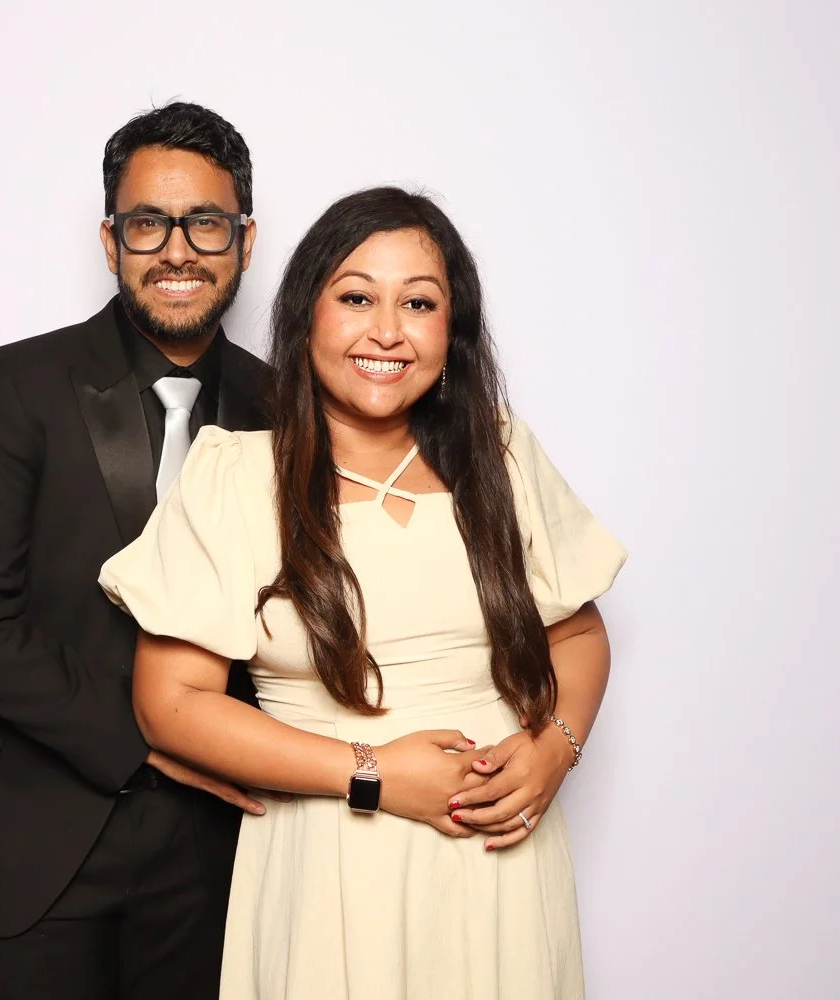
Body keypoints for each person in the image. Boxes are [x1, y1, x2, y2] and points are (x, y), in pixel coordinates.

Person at [99, 186, 628, 999]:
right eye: (355, 298)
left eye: (419, 302)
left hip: (500, 866)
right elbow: (171, 702)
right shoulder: (235, 477)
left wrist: (557, 747)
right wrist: (373, 772)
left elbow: (577, 633)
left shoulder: (501, 453)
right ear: (307, 315)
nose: (387, 331)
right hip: (328, 864)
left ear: (452, 333)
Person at [0, 102, 275, 999]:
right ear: (112, 241)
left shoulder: (291, 412)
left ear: (244, 238)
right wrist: (151, 736)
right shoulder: (14, 386)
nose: (178, 250)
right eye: (149, 223)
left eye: (206, 222)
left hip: (221, 850)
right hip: (31, 837)